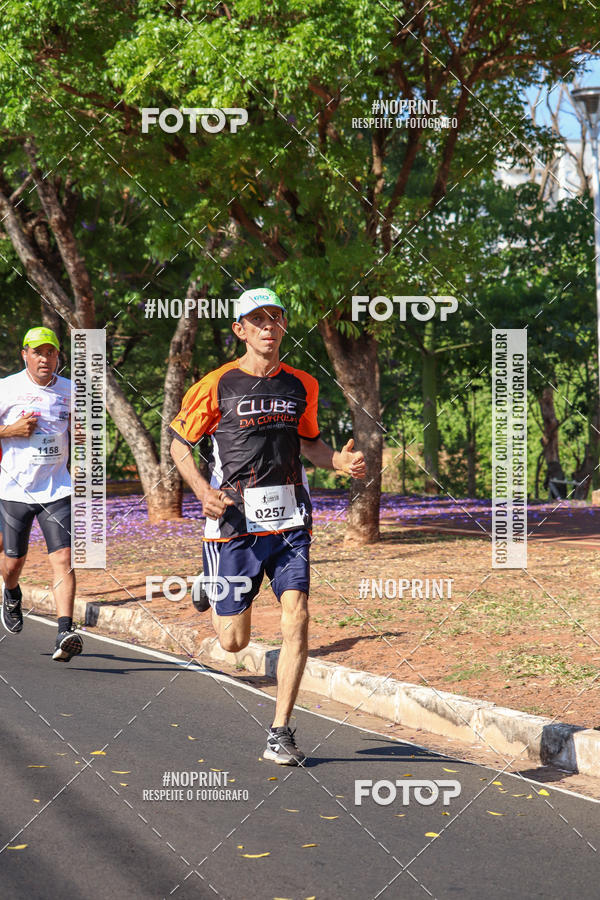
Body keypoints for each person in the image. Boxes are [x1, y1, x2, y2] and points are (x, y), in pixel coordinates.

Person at [170, 288, 365, 765]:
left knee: (297, 616)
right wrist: (199, 490)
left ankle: (281, 731)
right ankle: (210, 583)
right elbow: (178, 443)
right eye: (256, 320)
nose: (267, 327)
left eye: (274, 318)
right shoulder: (215, 385)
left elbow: (312, 446)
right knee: (233, 642)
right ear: (239, 329)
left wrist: (338, 461)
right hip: (233, 522)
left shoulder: (303, 385)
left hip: (290, 520)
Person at [0, 326, 83, 662]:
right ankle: (11, 591)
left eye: (51, 352)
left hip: (57, 488)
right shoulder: (7, 388)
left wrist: (80, 447)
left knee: (63, 558)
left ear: (58, 356)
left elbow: (82, 430)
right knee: (12, 563)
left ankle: (65, 630)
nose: (45, 358)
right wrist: (10, 430)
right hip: (14, 490)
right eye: (38, 352)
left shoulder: (70, 390)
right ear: (25, 355)